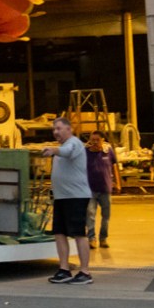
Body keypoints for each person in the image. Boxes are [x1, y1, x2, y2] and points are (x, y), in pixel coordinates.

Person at [47, 117, 92, 284]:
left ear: (69, 129)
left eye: (59, 128)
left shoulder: (74, 143)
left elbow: (67, 152)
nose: (56, 132)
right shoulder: (61, 147)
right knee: (59, 233)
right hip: (61, 197)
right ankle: (64, 269)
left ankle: (85, 271)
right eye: (54, 129)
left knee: (79, 233)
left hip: (76, 197)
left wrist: (53, 150)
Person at [85, 132, 121, 248]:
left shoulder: (108, 151)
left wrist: (118, 183)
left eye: (97, 140)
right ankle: (91, 238)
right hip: (89, 190)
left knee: (106, 216)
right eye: (92, 140)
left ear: (102, 140)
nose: (95, 142)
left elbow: (114, 166)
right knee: (90, 215)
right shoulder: (85, 152)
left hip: (105, 189)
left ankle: (103, 238)